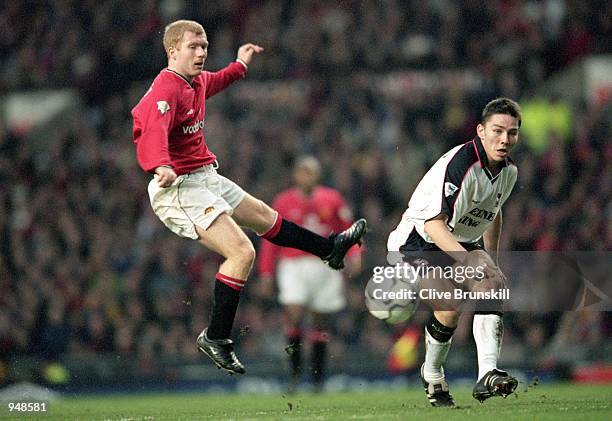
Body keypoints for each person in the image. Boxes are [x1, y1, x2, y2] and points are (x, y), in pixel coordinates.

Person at [131, 20, 366, 375]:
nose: (201, 53)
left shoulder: (193, 82)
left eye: (205, 46)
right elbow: (152, 130)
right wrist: (160, 164)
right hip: (178, 185)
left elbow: (216, 79)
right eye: (193, 47)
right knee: (242, 252)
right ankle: (216, 337)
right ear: (173, 51)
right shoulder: (166, 89)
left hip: (204, 176)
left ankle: (329, 250)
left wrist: (239, 66)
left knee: (265, 217)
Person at [387, 98, 521, 406]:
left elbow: (493, 212)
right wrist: (469, 262)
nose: (504, 140)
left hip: (458, 238)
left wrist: (492, 261)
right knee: (448, 307)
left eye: (511, 133)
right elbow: (434, 226)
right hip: (418, 242)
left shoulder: (509, 172)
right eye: (497, 131)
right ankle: (432, 373)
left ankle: (488, 373)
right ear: (481, 131)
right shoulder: (461, 164)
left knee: (492, 284)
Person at [257, 156, 362, 393]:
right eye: (302, 171)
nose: (307, 176)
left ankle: (317, 378)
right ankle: (294, 373)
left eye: (311, 171)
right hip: (293, 265)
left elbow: (348, 229)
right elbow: (271, 237)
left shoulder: (332, 199)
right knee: (293, 315)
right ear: (295, 175)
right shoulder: (283, 201)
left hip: (325, 264)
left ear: (318, 174)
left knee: (320, 323)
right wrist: (266, 272)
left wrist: (355, 254)